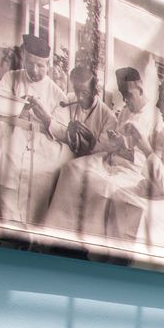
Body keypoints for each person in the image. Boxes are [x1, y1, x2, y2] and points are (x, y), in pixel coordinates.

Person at [45, 66, 157, 241]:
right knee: (72, 168)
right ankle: (55, 233)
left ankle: (90, 242)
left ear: (141, 88)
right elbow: (108, 144)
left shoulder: (154, 117)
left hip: (133, 169)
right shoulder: (125, 111)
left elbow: (151, 156)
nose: (125, 100)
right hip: (110, 159)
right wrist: (115, 142)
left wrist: (125, 147)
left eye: (129, 95)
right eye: (123, 95)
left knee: (102, 187)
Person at [106, 77, 164, 253]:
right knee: (119, 196)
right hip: (162, 189)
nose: (158, 109)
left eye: (163, 106)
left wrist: (146, 149)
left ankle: (133, 260)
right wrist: (133, 137)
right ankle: (114, 253)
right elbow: (146, 148)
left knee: (142, 214)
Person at [0, 36, 70, 225]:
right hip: (13, 133)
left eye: (40, 66)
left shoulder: (57, 93)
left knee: (40, 176)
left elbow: (62, 131)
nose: (34, 70)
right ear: (24, 59)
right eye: (30, 63)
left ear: (48, 64)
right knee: (7, 164)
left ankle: (31, 230)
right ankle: (5, 224)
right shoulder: (11, 78)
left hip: (42, 141)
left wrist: (45, 117)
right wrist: (18, 107)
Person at [37, 64, 117, 230]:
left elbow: (101, 151)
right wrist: (66, 131)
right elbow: (58, 128)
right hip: (66, 152)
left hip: (91, 162)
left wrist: (88, 141)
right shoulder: (68, 100)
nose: (79, 97)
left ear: (96, 90)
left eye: (85, 92)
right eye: (76, 90)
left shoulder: (108, 117)